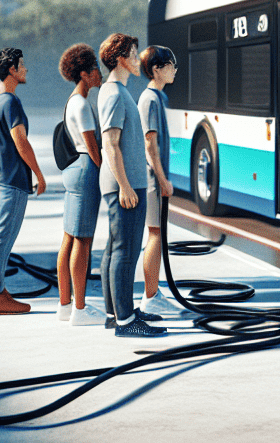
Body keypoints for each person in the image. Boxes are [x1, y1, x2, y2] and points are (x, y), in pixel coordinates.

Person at [96, 33, 166, 338]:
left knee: (116, 250)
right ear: (120, 58)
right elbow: (110, 144)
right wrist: (124, 186)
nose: (139, 60)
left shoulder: (118, 91)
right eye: (134, 55)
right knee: (125, 252)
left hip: (127, 183)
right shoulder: (113, 93)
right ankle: (125, 322)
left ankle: (116, 314)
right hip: (125, 185)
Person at [0, 47, 46, 315]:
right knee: (2, 240)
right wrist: (38, 174)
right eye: (21, 65)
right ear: (12, 70)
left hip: (0, 179)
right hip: (13, 181)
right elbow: (20, 141)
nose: (25, 69)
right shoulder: (11, 102)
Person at [55, 44, 105, 326]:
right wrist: (107, 172)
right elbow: (92, 147)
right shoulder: (83, 104)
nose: (99, 72)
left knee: (69, 237)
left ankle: (65, 305)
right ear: (84, 74)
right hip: (86, 169)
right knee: (83, 241)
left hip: (72, 169)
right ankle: (81, 309)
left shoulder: (71, 101)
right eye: (95, 68)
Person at [136, 45, 184, 318]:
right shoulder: (150, 100)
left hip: (156, 177)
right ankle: (150, 297)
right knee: (154, 233)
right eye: (171, 65)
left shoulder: (157, 97)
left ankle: (153, 293)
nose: (175, 70)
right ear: (157, 69)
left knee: (157, 233)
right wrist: (163, 180)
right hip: (152, 178)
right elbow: (149, 145)